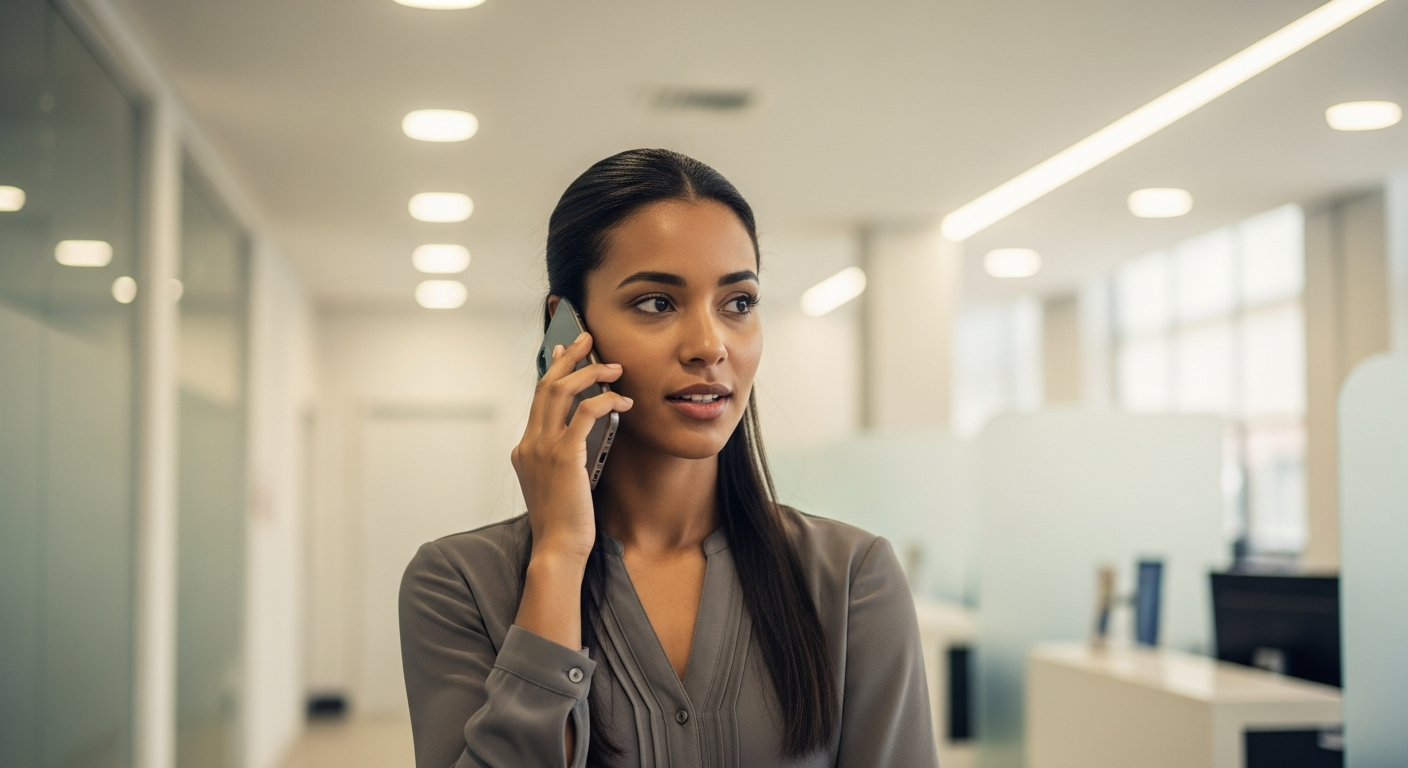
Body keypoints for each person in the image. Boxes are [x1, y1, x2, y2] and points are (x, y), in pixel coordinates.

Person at [399, 149, 937, 768]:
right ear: (566, 329)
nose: (710, 345)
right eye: (657, 302)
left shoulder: (849, 577)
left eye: (738, 303)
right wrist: (558, 557)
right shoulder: (458, 583)